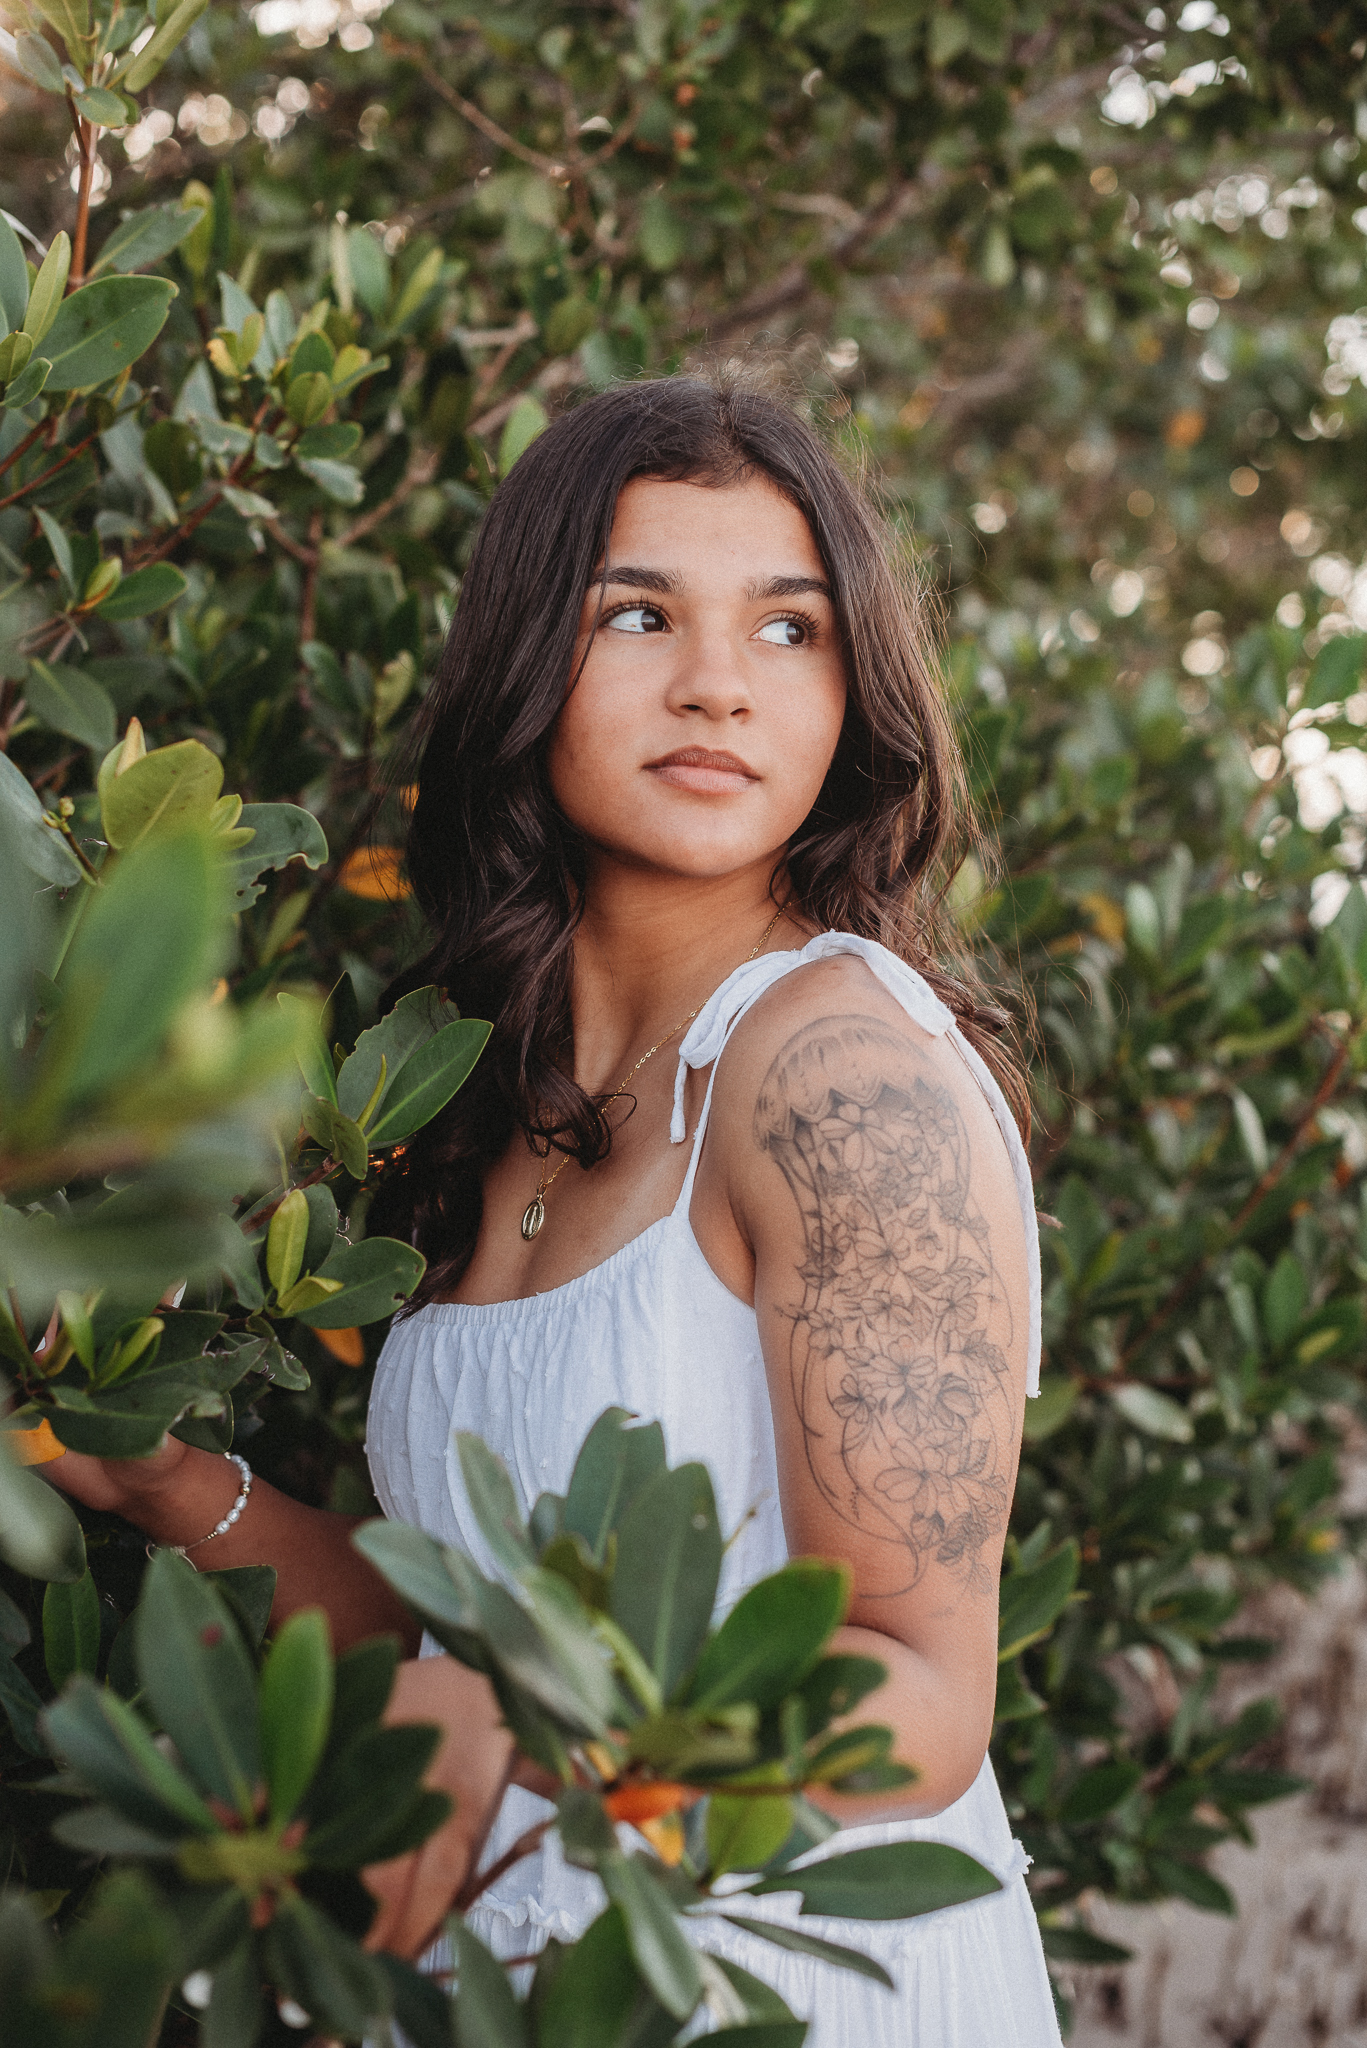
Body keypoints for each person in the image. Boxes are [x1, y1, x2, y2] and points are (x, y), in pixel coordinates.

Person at [49, 374, 1061, 2044]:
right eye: (640, 613)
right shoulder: (481, 1090)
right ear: (532, 657)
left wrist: (522, 1736)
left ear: (851, 691)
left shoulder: (834, 1078)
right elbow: (453, 1627)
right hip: (505, 1986)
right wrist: (152, 1472)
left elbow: (921, 1691)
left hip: (786, 1981)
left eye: (790, 631)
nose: (720, 686)